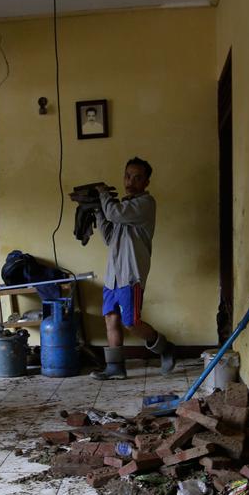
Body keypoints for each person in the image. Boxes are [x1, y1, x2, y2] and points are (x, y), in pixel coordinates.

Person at [89, 156, 176, 379]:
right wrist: (98, 211)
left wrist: (103, 194)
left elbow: (114, 213)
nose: (131, 182)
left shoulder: (145, 204)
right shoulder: (124, 206)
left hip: (130, 276)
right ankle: (115, 368)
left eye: (137, 178)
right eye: (128, 176)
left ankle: (165, 347)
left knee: (131, 322)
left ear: (146, 182)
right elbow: (109, 237)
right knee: (111, 318)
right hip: (112, 276)